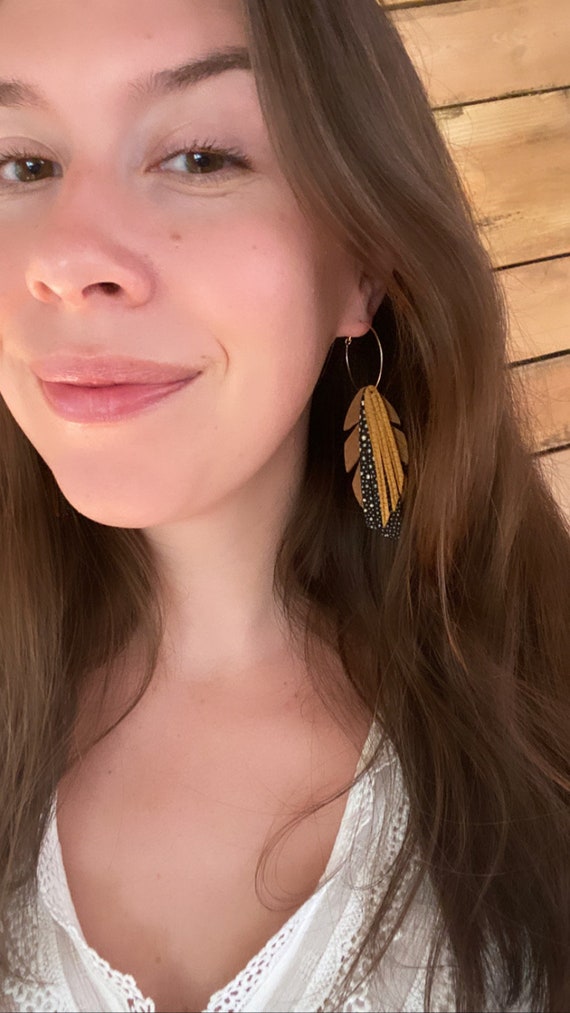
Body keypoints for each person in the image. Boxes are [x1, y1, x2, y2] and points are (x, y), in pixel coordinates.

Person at [0, 0, 568, 1010]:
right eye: (21, 165)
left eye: (200, 157)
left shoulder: (542, 704)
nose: (66, 260)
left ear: (364, 261)